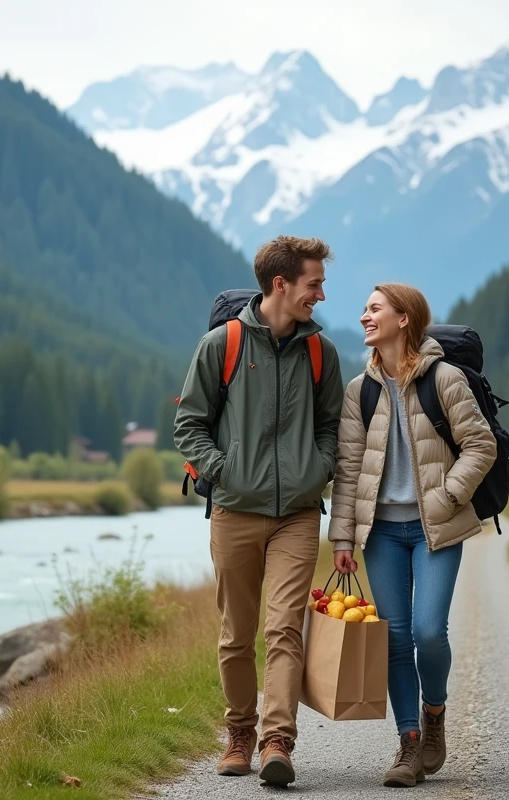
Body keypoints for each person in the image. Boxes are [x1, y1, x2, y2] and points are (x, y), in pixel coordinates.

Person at [173, 235, 344, 787]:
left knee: (284, 628)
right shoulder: (220, 346)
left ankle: (277, 740)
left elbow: (331, 428)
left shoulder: (321, 353)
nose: (320, 293)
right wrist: (224, 472)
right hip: (233, 511)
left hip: (297, 513)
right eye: (313, 283)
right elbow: (189, 425)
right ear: (281, 284)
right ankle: (240, 732)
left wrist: (315, 471)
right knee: (235, 634)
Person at [328, 282, 496, 788]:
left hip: (434, 529)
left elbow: (480, 445)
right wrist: (342, 539)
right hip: (382, 533)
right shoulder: (361, 390)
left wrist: (447, 497)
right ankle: (408, 745)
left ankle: (435, 713)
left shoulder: (443, 379)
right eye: (364, 309)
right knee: (396, 640)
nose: (364, 317)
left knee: (427, 632)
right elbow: (349, 467)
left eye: (374, 309)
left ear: (405, 319)